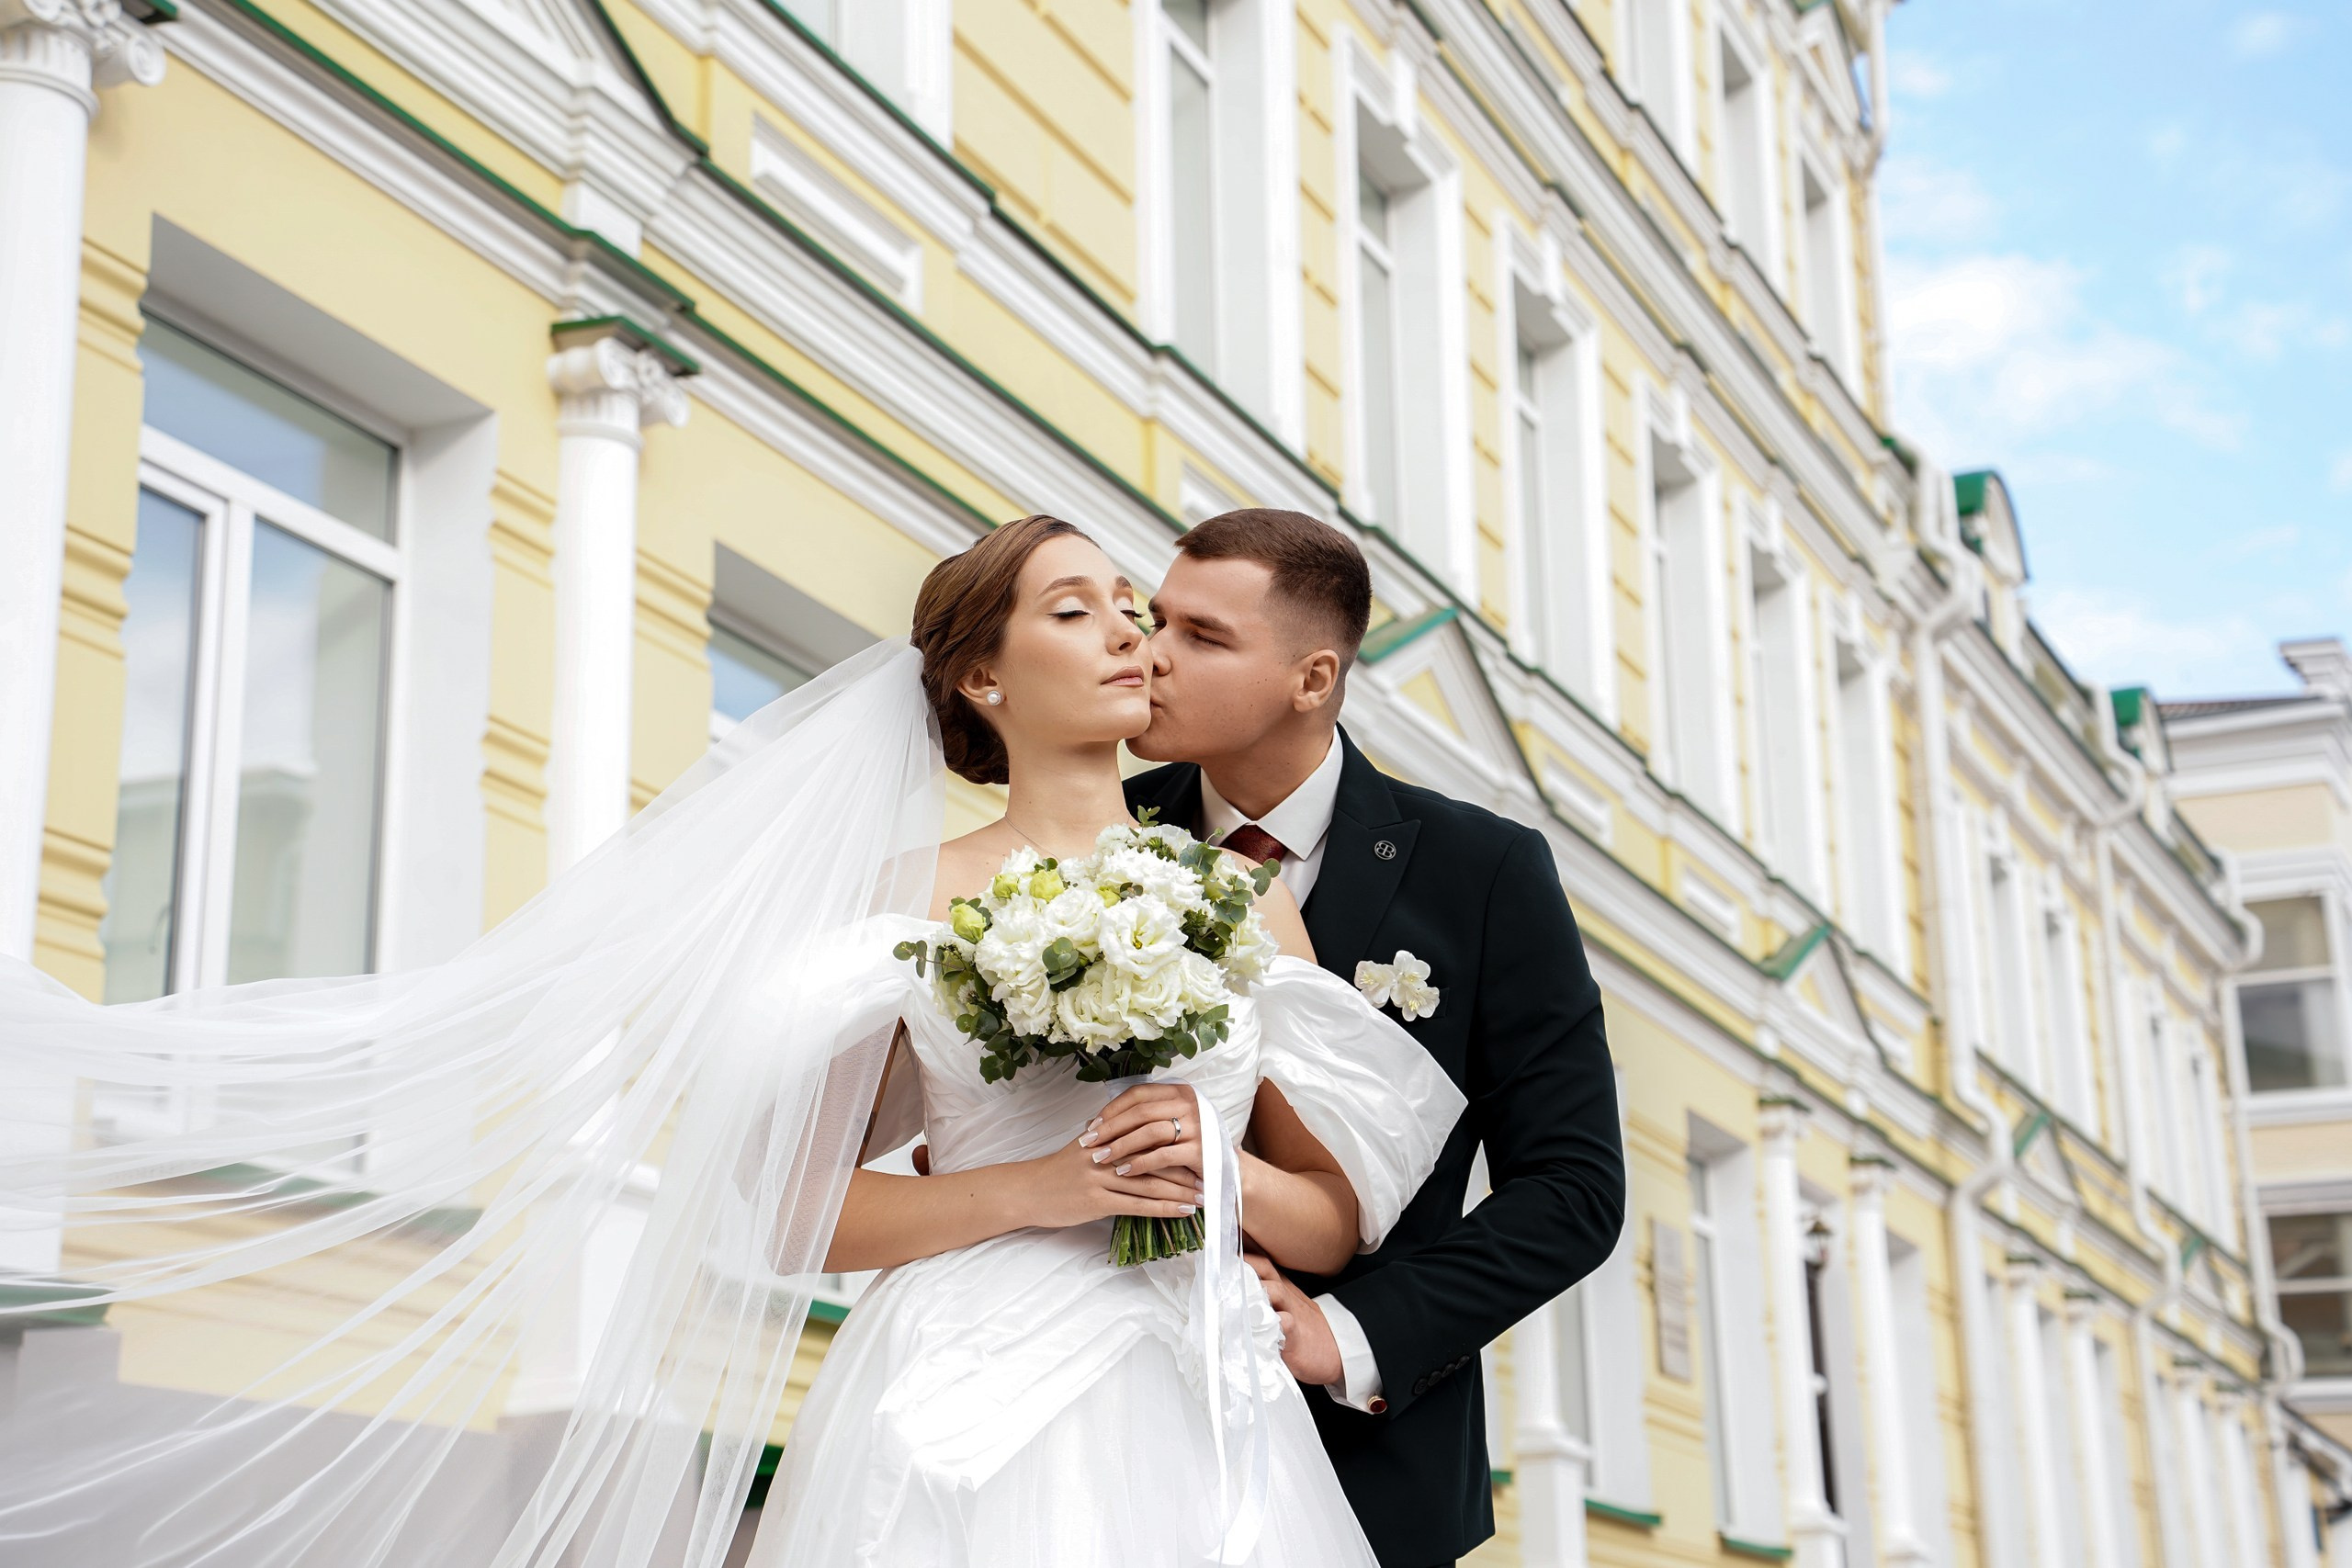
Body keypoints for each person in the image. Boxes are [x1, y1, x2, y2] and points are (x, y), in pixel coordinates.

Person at [0, 515, 1463, 1568]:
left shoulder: (1238, 896)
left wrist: (1215, 1166)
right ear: (983, 680)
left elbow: (1336, 1218)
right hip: (964, 1383)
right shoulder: (912, 902)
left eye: (1130, 605)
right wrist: (1044, 1187)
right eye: (1076, 608)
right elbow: (790, 1205)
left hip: (1206, 1393)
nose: (1132, 631)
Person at [1125, 508, 1625, 1568]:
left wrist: (1348, 1335)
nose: (1149, 654)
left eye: (1203, 637)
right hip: (1104, 1420)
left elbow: (1572, 1189)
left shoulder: (1482, 873)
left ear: (1312, 679)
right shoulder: (1095, 838)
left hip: (1364, 1467)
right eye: (1155, 617)